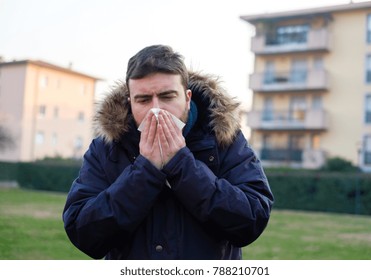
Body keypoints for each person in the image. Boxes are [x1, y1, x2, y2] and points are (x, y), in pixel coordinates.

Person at [63, 45, 274, 260]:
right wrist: (145, 171)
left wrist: (181, 164)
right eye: (143, 100)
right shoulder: (107, 147)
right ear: (130, 102)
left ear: (187, 98)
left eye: (167, 96)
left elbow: (251, 220)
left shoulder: (224, 139)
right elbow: (84, 233)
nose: (156, 110)